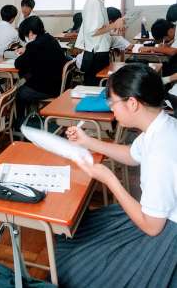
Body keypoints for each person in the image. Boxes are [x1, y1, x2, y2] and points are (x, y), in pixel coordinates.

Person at [57, 63, 177, 287]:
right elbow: (132, 155)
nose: (111, 109)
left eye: (112, 103)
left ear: (132, 103)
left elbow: (152, 227)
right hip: (156, 218)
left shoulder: (162, 152)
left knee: (78, 267)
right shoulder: (162, 125)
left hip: (166, 233)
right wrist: (88, 141)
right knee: (78, 236)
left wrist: (110, 179)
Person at [14, 16, 67, 127]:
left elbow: (18, 64)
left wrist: (26, 50)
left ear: (30, 32)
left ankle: (20, 124)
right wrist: (27, 50)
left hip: (47, 88)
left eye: (25, 35)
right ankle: (31, 116)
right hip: (58, 84)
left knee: (19, 93)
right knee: (27, 80)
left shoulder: (34, 46)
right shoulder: (51, 39)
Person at [75, 0, 124, 85]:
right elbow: (93, 31)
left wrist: (113, 28)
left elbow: (99, 28)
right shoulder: (94, 2)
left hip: (99, 51)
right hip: (95, 54)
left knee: (99, 85)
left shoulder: (98, 0)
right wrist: (114, 25)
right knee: (95, 86)